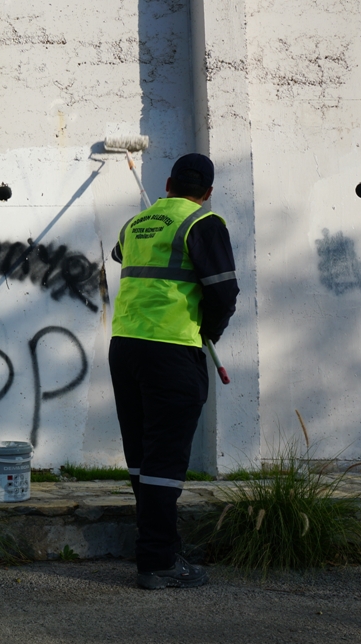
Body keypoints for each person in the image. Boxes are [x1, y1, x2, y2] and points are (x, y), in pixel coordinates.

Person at [108, 153, 239, 590]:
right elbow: (223, 291)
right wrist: (208, 331)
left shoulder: (136, 224)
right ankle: (158, 560)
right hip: (171, 350)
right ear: (208, 192)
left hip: (125, 348)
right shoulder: (204, 223)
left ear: (167, 183)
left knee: (141, 455)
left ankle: (157, 546)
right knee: (164, 459)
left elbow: (119, 254)